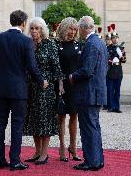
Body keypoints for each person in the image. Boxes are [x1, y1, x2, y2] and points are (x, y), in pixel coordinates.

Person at [0, 10, 48, 171]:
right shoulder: (26, 41)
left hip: (1, 89)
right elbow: (32, 67)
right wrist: (41, 81)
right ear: (23, 23)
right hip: (19, 90)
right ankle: (15, 161)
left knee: (0, 123)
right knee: (17, 125)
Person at [23, 17, 63, 165]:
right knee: (33, 120)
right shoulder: (28, 45)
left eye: (37, 28)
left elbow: (56, 67)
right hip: (30, 88)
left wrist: (59, 85)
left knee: (45, 121)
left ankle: (44, 154)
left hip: (45, 88)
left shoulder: (50, 44)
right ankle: (37, 151)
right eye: (32, 28)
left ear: (42, 30)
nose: (34, 31)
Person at [69, 16, 107, 171]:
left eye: (79, 28)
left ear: (84, 28)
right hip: (96, 92)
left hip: (88, 93)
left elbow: (87, 70)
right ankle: (97, 160)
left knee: (88, 128)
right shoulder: (100, 42)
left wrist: (72, 76)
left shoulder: (91, 44)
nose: (78, 32)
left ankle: (91, 161)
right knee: (94, 127)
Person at [54, 17, 82, 162]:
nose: (72, 32)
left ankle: (73, 146)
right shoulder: (56, 44)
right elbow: (55, 66)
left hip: (75, 85)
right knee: (61, 116)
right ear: (64, 28)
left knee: (74, 115)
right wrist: (59, 82)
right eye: (70, 29)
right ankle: (62, 147)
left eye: (75, 29)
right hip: (61, 84)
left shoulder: (79, 45)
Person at [107, 23, 126, 113]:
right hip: (110, 70)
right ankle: (111, 107)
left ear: (118, 39)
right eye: (113, 38)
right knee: (110, 90)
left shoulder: (121, 48)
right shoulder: (107, 48)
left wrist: (121, 56)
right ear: (111, 39)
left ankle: (117, 107)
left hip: (118, 71)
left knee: (117, 91)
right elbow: (105, 59)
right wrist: (111, 61)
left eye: (116, 38)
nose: (115, 39)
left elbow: (124, 60)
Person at [103, 26, 113, 110]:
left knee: (110, 89)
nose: (108, 41)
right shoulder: (104, 47)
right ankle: (105, 104)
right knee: (105, 88)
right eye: (107, 40)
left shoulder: (113, 48)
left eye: (109, 39)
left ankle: (110, 104)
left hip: (111, 70)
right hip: (104, 70)